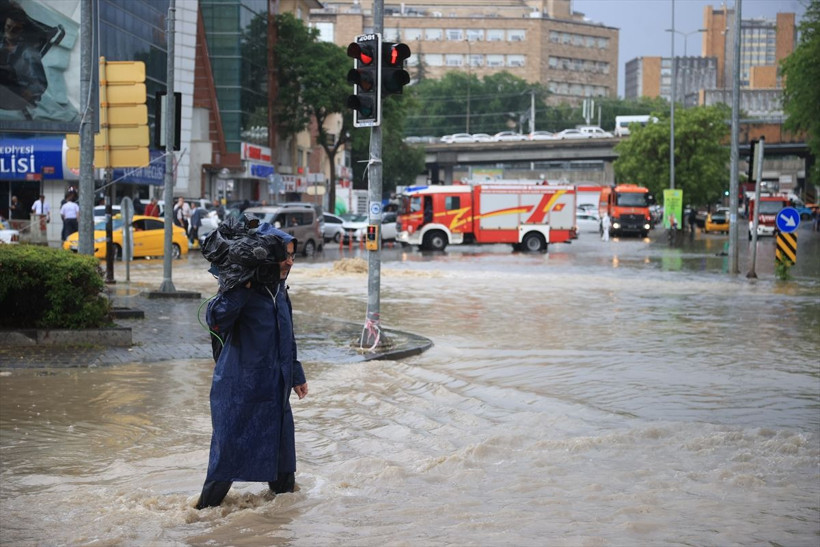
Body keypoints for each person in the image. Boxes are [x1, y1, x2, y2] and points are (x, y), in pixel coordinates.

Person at [195, 229, 308, 510]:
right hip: (239, 389)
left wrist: (295, 374)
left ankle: (280, 522)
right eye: (285, 256)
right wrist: (238, 289)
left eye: (293, 255)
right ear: (269, 258)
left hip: (275, 389)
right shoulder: (242, 291)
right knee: (226, 461)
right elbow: (215, 319)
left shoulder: (280, 292)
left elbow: (287, 336)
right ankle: (201, 517)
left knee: (283, 464)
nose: (290, 262)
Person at [0, 4, 48, 112]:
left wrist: (26, 94)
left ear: (21, 31)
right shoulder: (1, 44)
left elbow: (40, 84)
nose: (10, 32)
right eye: (8, 27)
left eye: (15, 29)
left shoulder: (29, 53)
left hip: (15, 95)